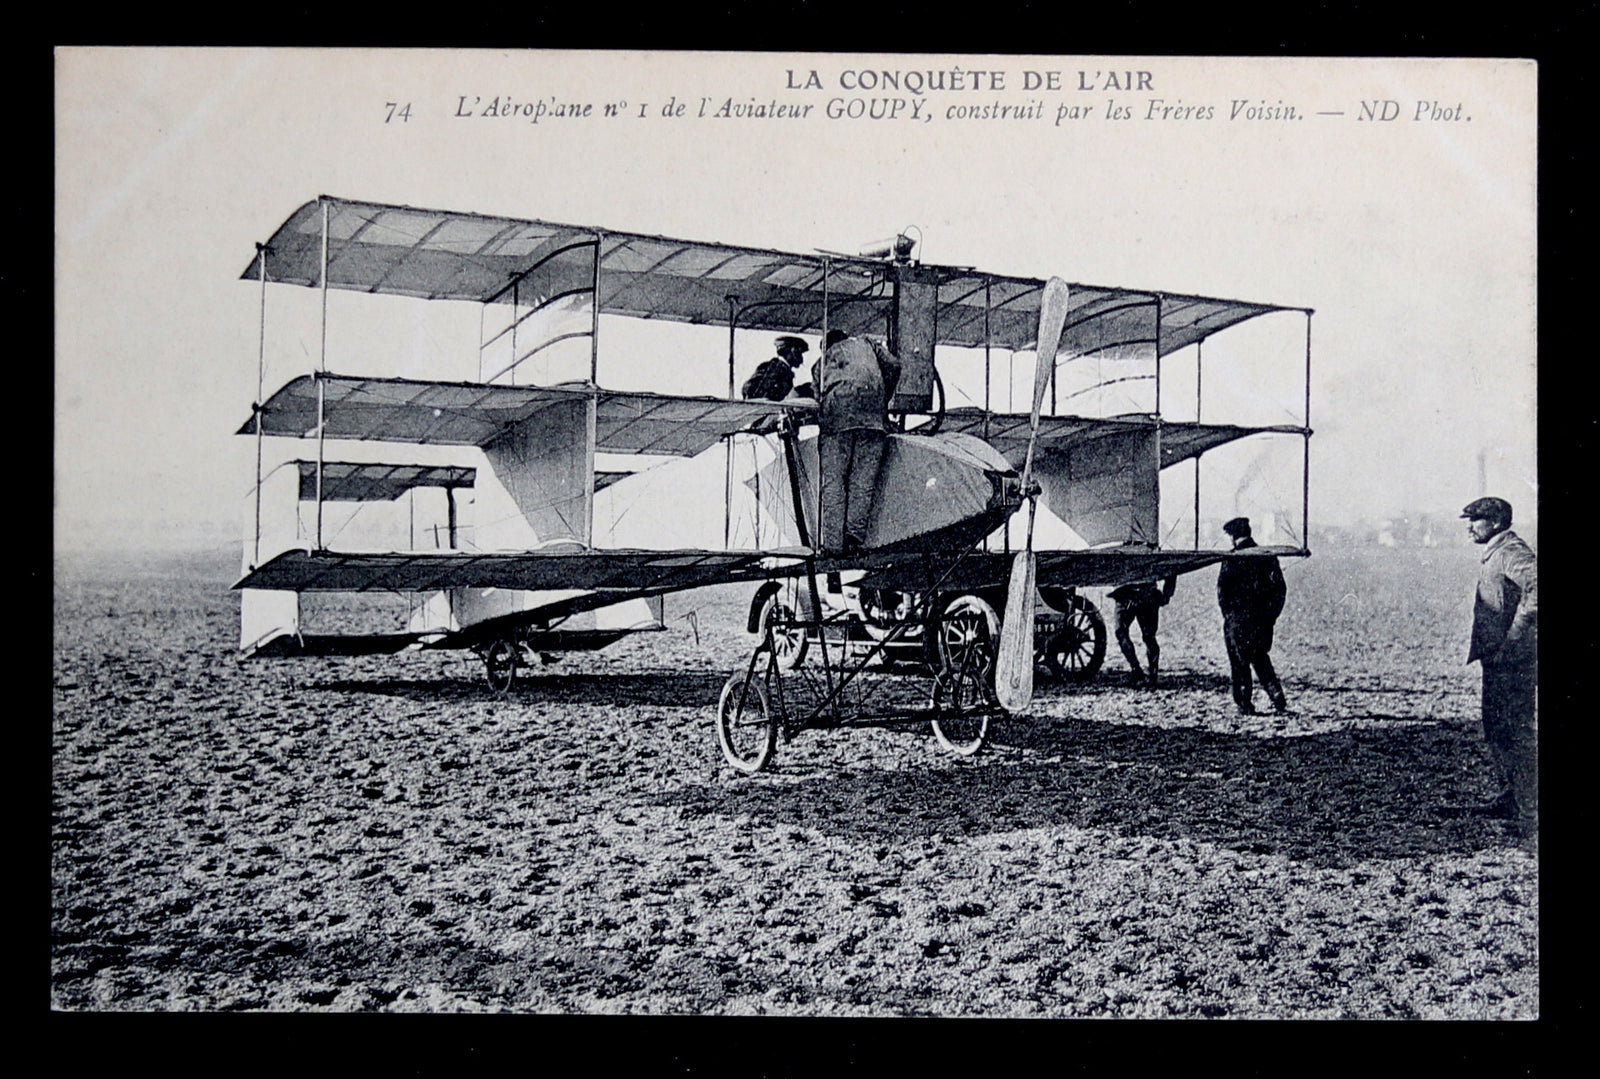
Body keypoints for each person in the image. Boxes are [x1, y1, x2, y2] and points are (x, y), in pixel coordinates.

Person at [1461, 496, 1537, 836]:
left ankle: (1528, 806)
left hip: (1513, 660)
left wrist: (1515, 635)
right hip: (1498, 659)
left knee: (1516, 730)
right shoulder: (1496, 550)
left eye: (1475, 520)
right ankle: (1511, 797)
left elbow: (1537, 588)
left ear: (1494, 523)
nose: (1469, 526)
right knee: (1496, 728)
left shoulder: (1510, 551)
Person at [815, 328, 901, 554]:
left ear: (826, 346)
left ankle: (833, 546)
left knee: (834, 483)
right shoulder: (868, 345)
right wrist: (882, 398)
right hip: (873, 421)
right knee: (862, 484)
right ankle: (854, 541)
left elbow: (818, 396)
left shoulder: (821, 362)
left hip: (837, 422)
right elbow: (894, 365)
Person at [1216, 517, 1289, 714]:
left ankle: (1244, 703)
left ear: (1233, 536)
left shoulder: (1232, 558)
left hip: (1238, 620)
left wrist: (1229, 616)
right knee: (1260, 658)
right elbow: (1280, 589)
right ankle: (1276, 695)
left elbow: (1222, 590)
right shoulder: (1266, 556)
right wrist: (1271, 616)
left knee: (1239, 663)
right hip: (1261, 620)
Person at [1109, 576, 1177, 685]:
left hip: (1146, 594)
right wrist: (1166, 595)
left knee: (1149, 637)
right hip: (1124, 595)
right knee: (1120, 631)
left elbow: (1171, 568)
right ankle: (1136, 671)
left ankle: (1153, 677)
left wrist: (1167, 593)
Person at [741, 335, 810, 402]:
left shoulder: (776, 367)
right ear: (792, 351)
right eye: (799, 353)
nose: (801, 359)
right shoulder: (777, 369)